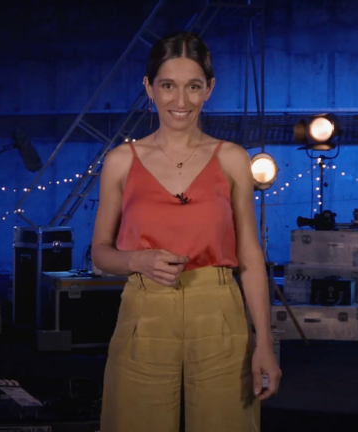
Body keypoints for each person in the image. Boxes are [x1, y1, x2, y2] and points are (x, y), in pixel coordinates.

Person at [91, 31, 281, 432]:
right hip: (145, 311)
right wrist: (138, 260)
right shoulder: (121, 161)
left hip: (219, 312)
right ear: (149, 88)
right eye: (168, 86)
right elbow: (100, 254)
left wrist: (264, 342)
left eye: (193, 86)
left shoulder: (232, 158)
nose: (181, 100)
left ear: (209, 89)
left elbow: (250, 256)